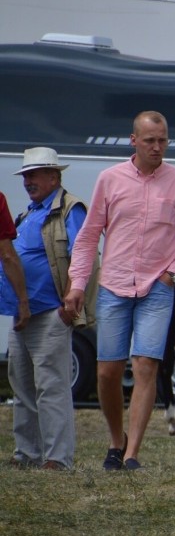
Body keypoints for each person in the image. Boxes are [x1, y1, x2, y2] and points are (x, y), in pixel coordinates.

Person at [65, 111, 175, 471]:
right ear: (134, 140)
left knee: (145, 366)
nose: (157, 147)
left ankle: (132, 454)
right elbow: (89, 235)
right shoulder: (109, 179)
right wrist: (78, 284)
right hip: (113, 285)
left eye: (162, 140)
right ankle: (116, 440)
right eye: (150, 141)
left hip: (158, 288)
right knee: (107, 373)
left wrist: (173, 274)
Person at [2, 148, 94, 471]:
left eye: (35, 175)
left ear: (54, 176)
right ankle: (27, 453)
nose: (28, 181)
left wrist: (68, 305)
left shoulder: (70, 209)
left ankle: (57, 458)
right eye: (26, 176)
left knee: (52, 387)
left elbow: (84, 257)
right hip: (23, 314)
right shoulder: (29, 213)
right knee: (23, 386)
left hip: (50, 313)